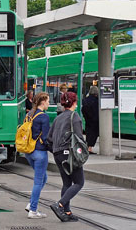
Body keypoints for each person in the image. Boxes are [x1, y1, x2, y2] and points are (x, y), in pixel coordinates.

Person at [47, 91, 83, 222]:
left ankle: (67, 213)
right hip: (70, 154)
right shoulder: (75, 117)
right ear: (75, 102)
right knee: (79, 182)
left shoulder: (58, 117)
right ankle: (60, 205)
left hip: (58, 154)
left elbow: (48, 139)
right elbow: (79, 139)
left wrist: (56, 151)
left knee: (67, 182)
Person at [24, 92, 50, 219]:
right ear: (43, 102)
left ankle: (31, 204)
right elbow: (45, 138)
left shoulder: (29, 114)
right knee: (38, 181)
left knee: (43, 178)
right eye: (48, 101)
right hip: (40, 152)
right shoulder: (43, 117)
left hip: (28, 152)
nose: (49, 103)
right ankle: (33, 210)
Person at [81, 86, 99, 154]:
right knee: (94, 134)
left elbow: (83, 109)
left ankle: (87, 147)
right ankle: (89, 148)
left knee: (88, 133)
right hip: (95, 120)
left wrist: (86, 117)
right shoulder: (97, 100)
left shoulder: (86, 99)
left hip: (88, 120)